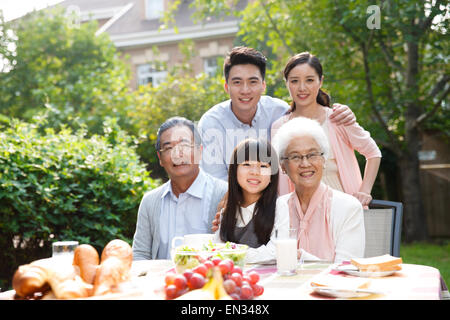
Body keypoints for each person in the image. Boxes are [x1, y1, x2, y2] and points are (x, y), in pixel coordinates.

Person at [199, 46, 357, 182]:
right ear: (227, 87)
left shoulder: (280, 112)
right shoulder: (211, 123)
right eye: (237, 82)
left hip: (279, 204)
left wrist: (339, 112)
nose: (245, 90)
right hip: (232, 205)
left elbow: (311, 117)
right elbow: (216, 182)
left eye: (253, 82)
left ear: (263, 86)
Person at [271, 52, 381, 207]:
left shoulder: (338, 119)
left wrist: (365, 191)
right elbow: (280, 177)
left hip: (344, 209)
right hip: (301, 214)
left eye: (309, 80)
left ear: (320, 81)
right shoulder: (279, 127)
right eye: (294, 81)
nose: (302, 88)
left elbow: (373, 153)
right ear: (286, 83)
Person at [272, 116, 365, 263]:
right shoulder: (276, 208)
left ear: (323, 159)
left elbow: (347, 269)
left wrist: (301, 257)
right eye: (295, 157)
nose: (305, 163)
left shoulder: (348, 207)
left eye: (312, 155)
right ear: (283, 166)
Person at [132, 117, 228, 260]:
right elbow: (140, 254)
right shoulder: (150, 201)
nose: (178, 154)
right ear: (160, 157)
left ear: (200, 151)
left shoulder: (224, 194)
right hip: (162, 280)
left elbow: (234, 250)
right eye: (169, 148)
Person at [214, 138, 289, 263]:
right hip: (233, 279)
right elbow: (216, 249)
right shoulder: (227, 210)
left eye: (263, 166)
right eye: (247, 164)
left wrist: (232, 252)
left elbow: (276, 252)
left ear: (272, 175)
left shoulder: (279, 207)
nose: (255, 172)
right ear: (235, 170)